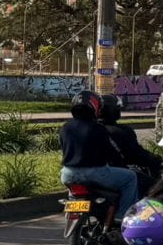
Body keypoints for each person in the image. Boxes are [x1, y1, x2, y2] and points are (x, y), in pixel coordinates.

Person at [59, 91, 139, 226]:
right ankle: (122, 216)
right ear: (94, 106)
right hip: (95, 174)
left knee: (74, 191)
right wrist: (122, 166)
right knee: (131, 178)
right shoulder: (98, 128)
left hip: (67, 174)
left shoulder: (66, 127)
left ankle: (73, 212)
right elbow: (109, 152)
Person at [99, 94, 162, 178]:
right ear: (114, 110)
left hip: (95, 173)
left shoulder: (92, 129)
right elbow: (136, 154)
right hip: (118, 173)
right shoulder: (123, 131)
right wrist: (155, 160)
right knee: (149, 185)